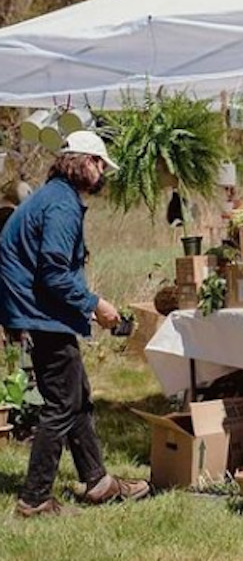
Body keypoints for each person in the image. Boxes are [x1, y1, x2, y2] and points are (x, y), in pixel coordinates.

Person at [0, 131, 151, 517]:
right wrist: (94, 304)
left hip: (36, 310)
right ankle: (34, 499)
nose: (103, 172)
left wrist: (85, 305)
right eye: (100, 164)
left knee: (76, 394)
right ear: (83, 161)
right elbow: (52, 273)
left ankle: (97, 481)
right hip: (39, 313)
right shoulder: (62, 206)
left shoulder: (53, 197)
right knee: (62, 403)